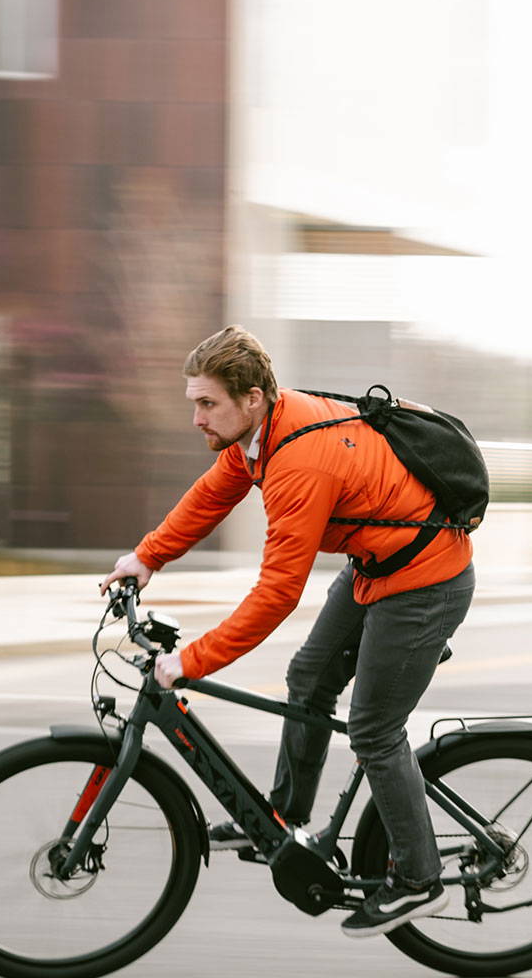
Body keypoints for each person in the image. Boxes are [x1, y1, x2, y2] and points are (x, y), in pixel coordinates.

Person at [101, 325, 475, 938]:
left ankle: (417, 879)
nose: (195, 417)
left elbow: (278, 592)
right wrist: (147, 557)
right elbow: (210, 496)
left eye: (206, 404)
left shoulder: (299, 462)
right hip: (378, 565)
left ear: (251, 398)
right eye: (193, 402)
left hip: (424, 583)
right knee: (308, 676)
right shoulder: (262, 431)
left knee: (374, 730)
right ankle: (285, 819)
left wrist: (194, 659)